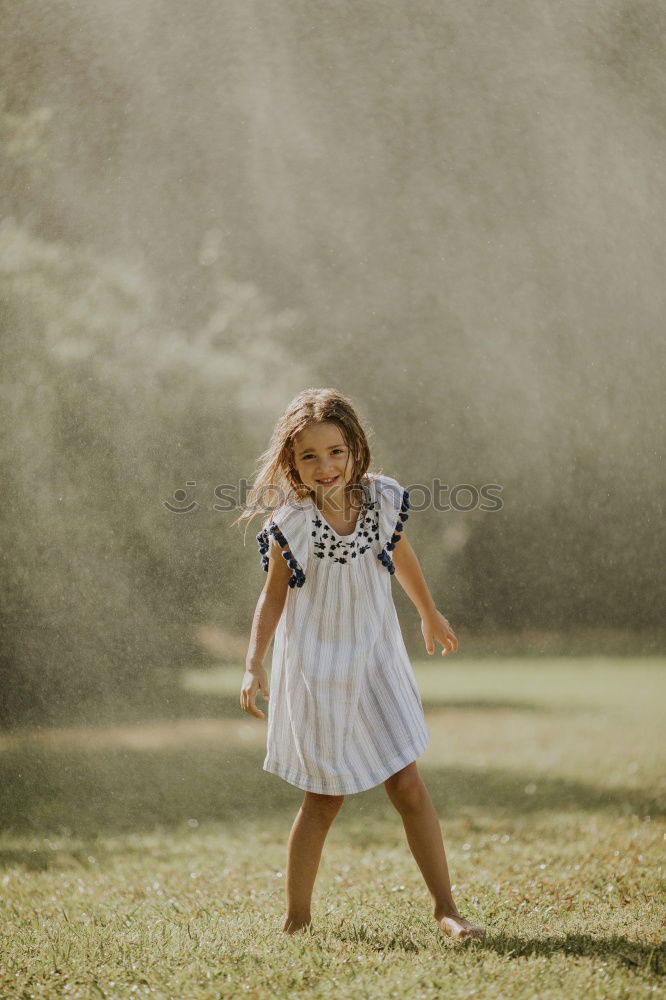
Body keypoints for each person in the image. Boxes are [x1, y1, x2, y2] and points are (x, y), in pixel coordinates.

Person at [236, 387, 485, 942]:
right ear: (291, 462)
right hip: (319, 670)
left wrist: (428, 612)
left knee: (409, 786)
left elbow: (402, 557)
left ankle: (447, 909)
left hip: (376, 659)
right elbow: (272, 597)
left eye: (336, 451)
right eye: (309, 456)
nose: (325, 466)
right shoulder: (291, 524)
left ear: (355, 449)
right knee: (325, 798)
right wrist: (254, 663)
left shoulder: (381, 500)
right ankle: (297, 919)